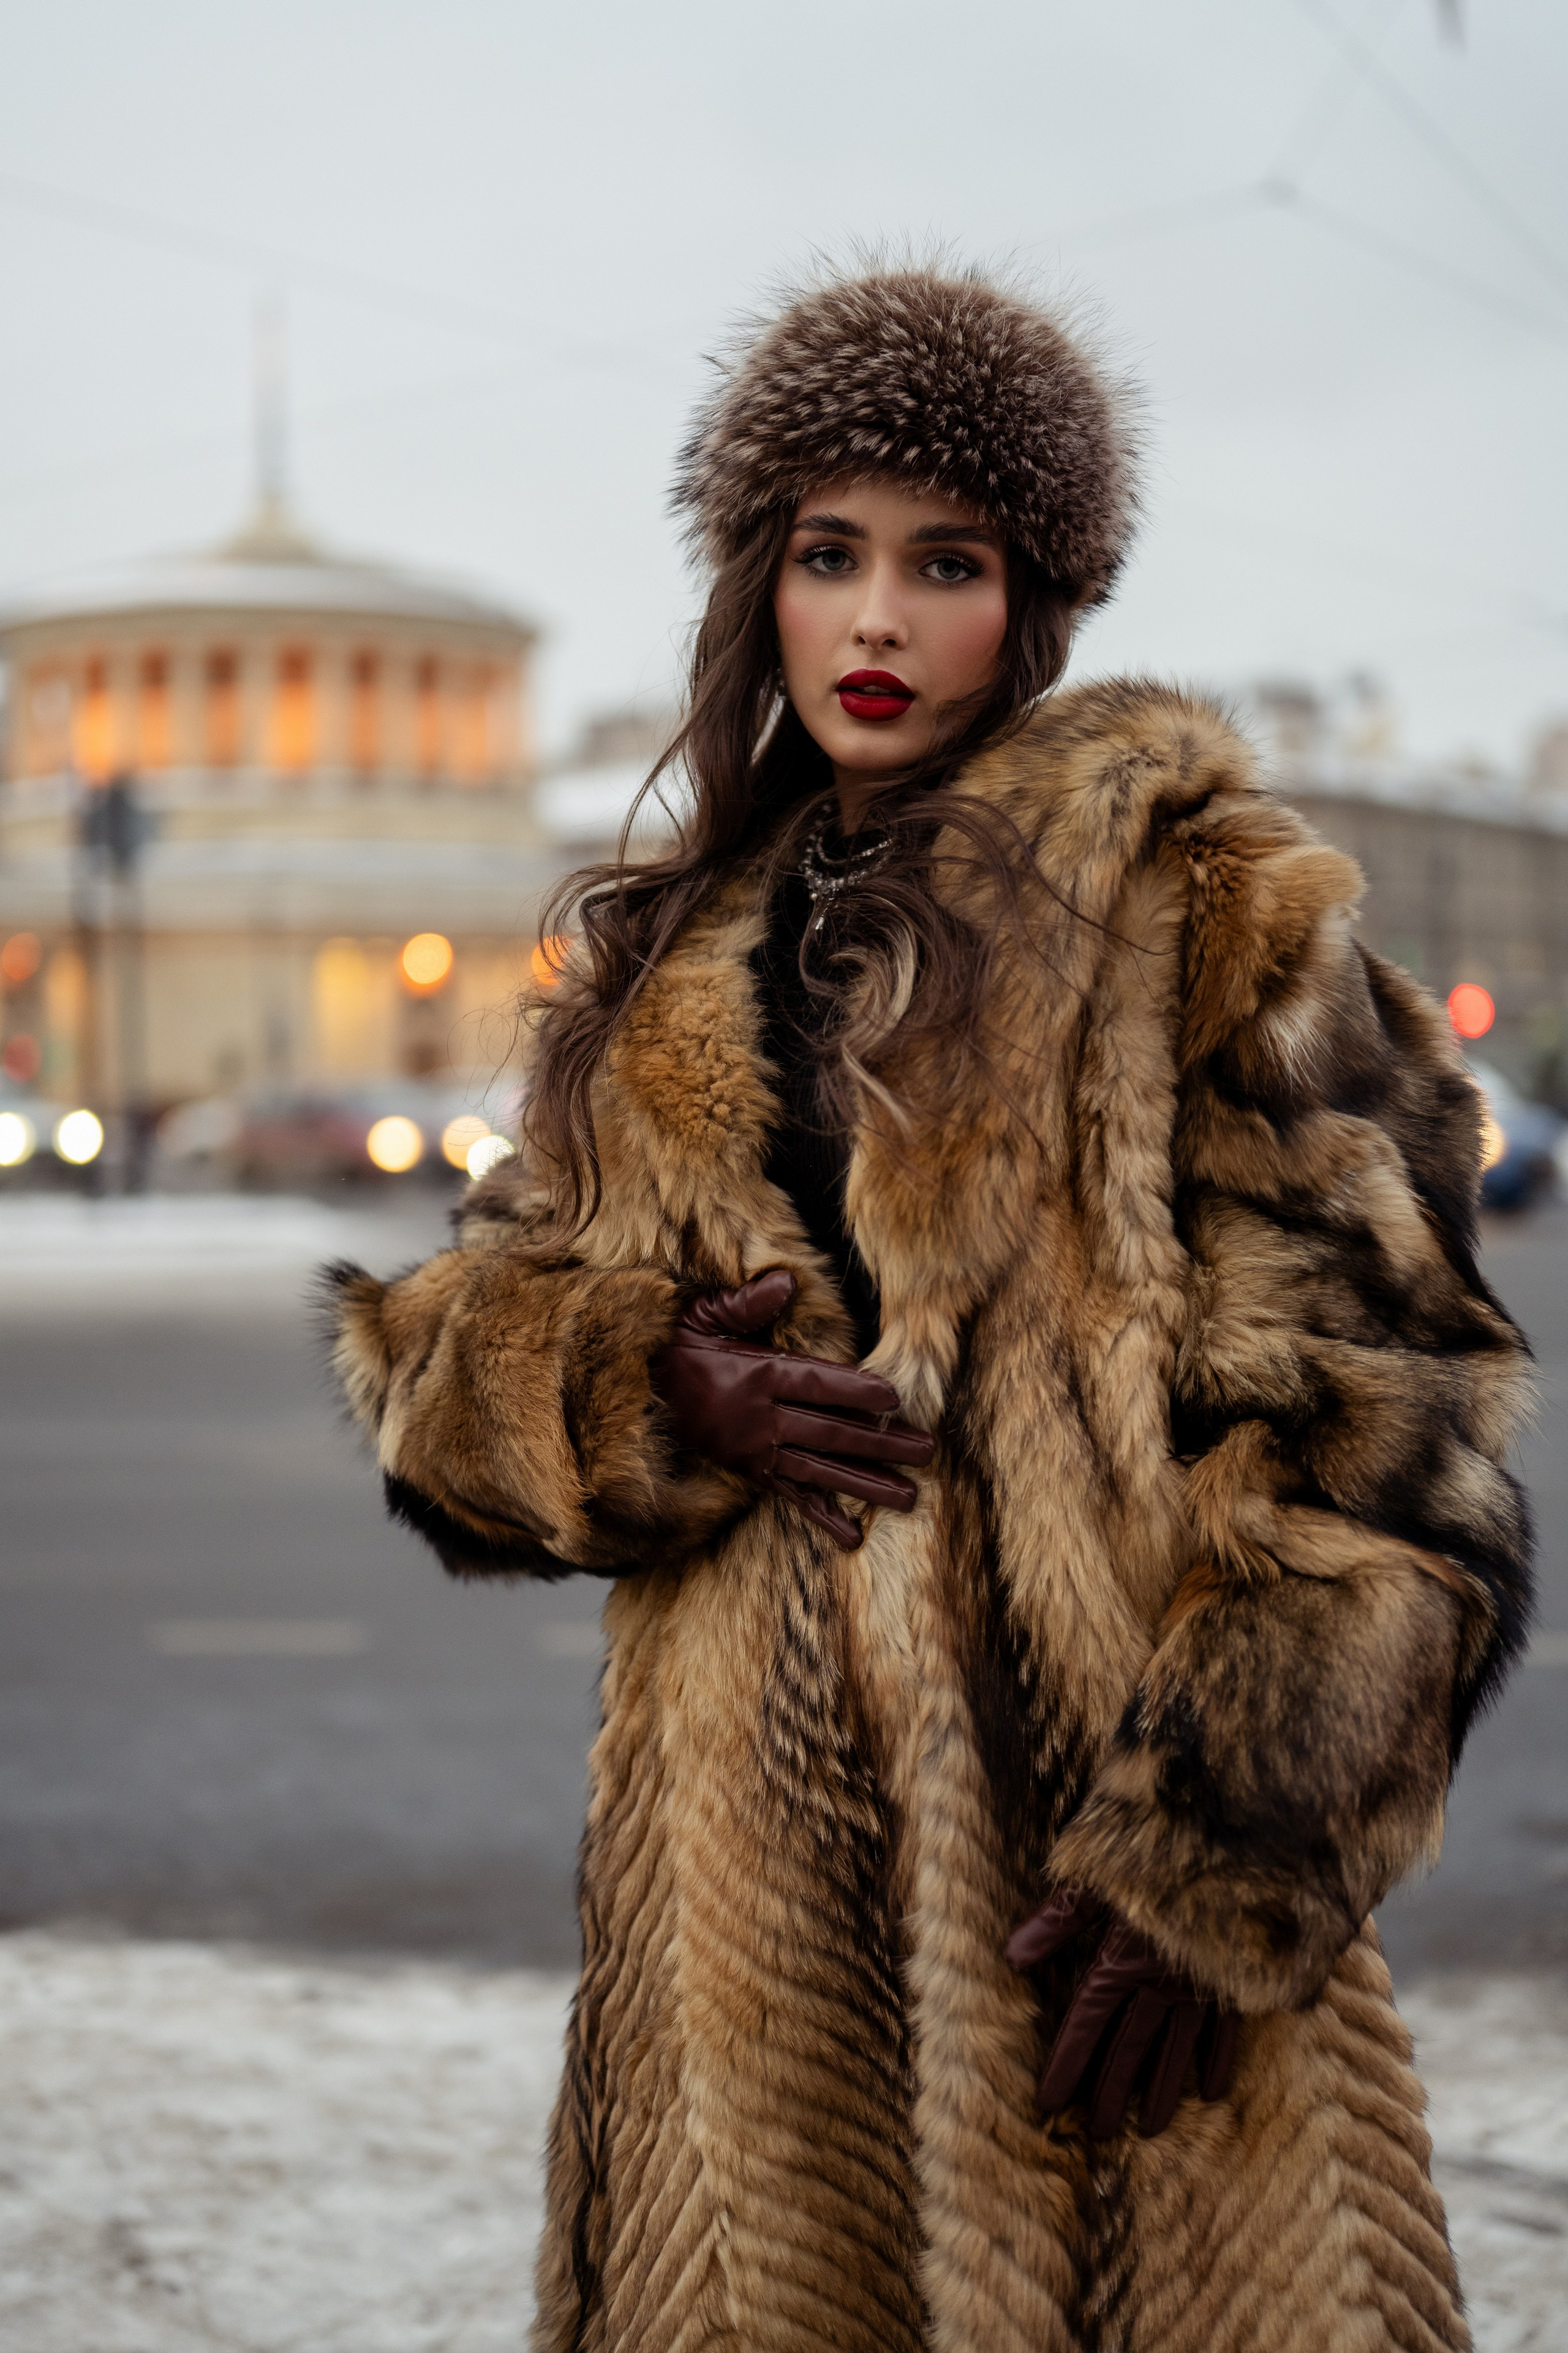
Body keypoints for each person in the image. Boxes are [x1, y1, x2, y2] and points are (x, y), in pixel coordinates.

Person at [325, 265, 1533, 2352]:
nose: (878, 620)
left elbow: (1395, 1429)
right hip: (743, 1968)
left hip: (1099, 1924)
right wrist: (633, 1388)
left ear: (1034, 603)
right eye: (828, 556)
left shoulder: (1206, 912)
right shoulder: (660, 966)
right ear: (760, 587)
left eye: (945, 562)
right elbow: (446, 1363)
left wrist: (1221, 1851)